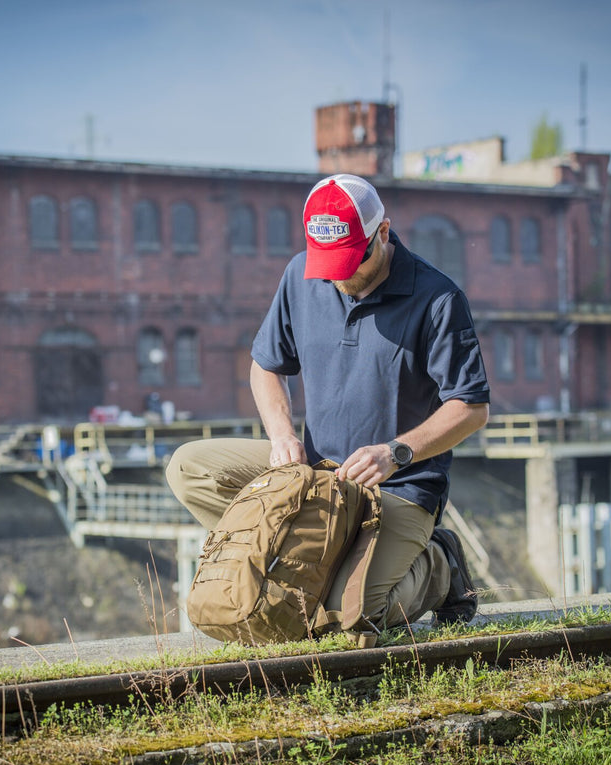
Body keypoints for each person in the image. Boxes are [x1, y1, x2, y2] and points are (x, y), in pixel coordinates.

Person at [166, 173, 490, 631]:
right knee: (189, 467)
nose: (339, 275)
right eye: (328, 264)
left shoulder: (437, 298)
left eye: (351, 261)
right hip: (316, 474)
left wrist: (396, 452)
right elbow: (266, 366)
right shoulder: (300, 277)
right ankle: (295, 561)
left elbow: (471, 407)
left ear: (382, 232)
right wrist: (281, 437)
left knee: (353, 619)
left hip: (398, 486)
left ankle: (438, 565)